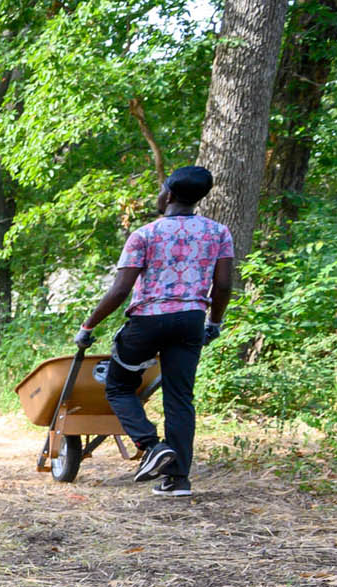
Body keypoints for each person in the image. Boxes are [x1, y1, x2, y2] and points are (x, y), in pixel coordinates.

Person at [77, 165, 236, 498]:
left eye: (162, 190)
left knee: (119, 386)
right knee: (180, 398)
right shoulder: (218, 233)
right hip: (191, 319)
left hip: (148, 321)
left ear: (170, 195)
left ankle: (151, 447)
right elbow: (222, 286)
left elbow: (121, 290)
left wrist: (89, 325)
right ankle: (177, 480)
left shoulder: (145, 234)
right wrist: (214, 322)